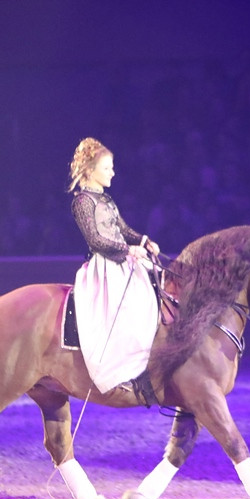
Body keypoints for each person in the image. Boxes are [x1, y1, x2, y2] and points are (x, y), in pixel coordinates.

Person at [68, 137, 160, 394]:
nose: (113, 172)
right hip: (105, 267)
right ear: (90, 171)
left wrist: (144, 240)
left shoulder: (106, 200)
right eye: (107, 168)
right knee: (132, 306)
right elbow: (95, 240)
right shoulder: (83, 202)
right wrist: (128, 249)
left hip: (124, 259)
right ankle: (125, 372)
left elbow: (122, 228)